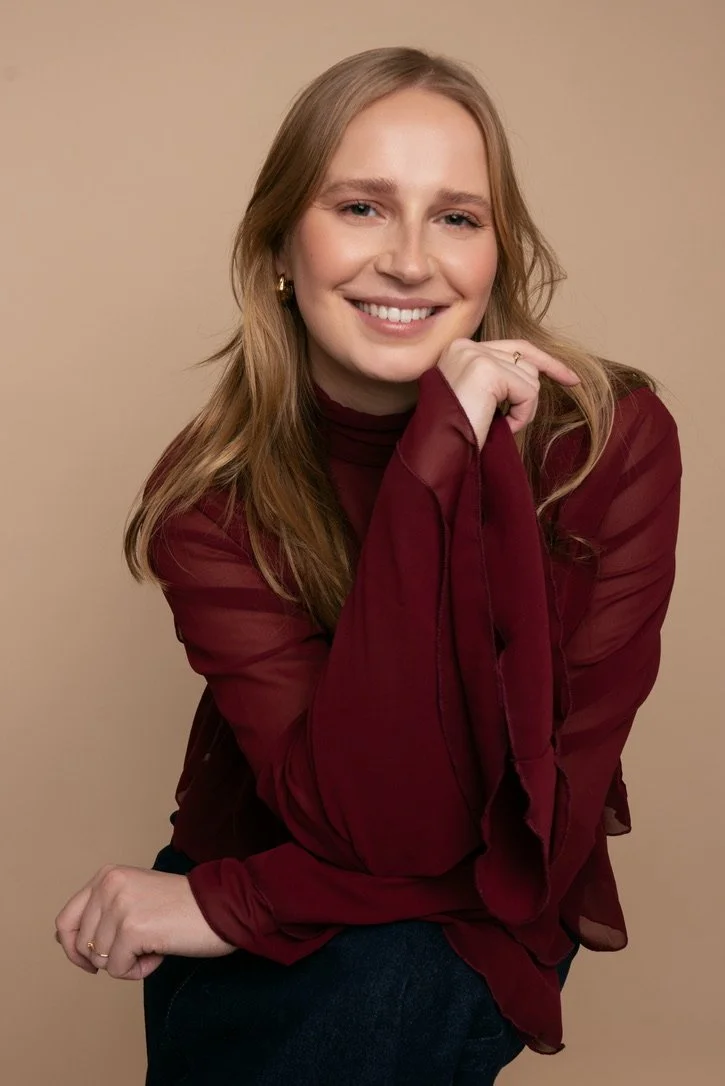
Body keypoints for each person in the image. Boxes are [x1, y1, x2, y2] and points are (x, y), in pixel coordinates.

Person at [54, 46, 682, 1085]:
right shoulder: (210, 497)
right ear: (273, 251)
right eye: (358, 207)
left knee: (385, 984)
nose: (407, 259)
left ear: (494, 255)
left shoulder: (602, 444)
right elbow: (367, 819)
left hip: (431, 917)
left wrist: (440, 446)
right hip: (269, 871)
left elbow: (529, 834)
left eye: (456, 217)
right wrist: (437, 454)